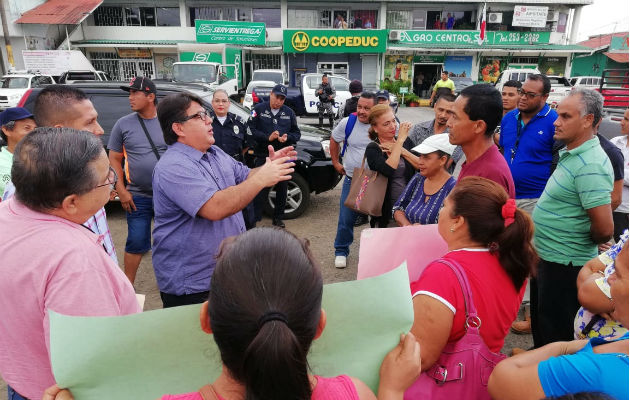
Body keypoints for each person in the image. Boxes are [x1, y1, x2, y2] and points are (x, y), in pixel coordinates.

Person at [0, 128, 141, 400]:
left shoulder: (8, 212)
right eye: (107, 178)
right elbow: (95, 368)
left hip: (24, 383)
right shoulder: (73, 261)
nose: (113, 180)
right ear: (71, 203)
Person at [152, 92, 296, 308]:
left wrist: (268, 167)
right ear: (178, 128)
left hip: (226, 272)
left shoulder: (214, 152)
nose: (209, 120)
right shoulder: (173, 166)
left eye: (206, 114)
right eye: (200, 116)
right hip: (194, 285)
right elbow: (215, 207)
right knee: (198, 339)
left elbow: (246, 175)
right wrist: (262, 179)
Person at [409, 177, 536, 373]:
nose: (440, 212)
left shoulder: (443, 274)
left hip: (445, 382)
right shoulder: (511, 260)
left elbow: (419, 359)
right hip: (484, 375)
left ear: (458, 221)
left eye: (444, 206)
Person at [488, 242, 629, 400]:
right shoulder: (622, 342)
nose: (608, 278)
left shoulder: (590, 369)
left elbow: (500, 380)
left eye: (618, 273)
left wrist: (565, 347)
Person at [531, 89, 614, 348]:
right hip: (549, 258)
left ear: (588, 120)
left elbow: (603, 229)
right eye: (558, 114)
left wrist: (568, 236)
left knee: (558, 335)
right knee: (543, 324)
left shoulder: (590, 164)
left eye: (565, 116)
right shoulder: (572, 154)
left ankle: (550, 385)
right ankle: (536, 373)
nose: (556, 121)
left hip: (565, 266)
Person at [1, 85, 118, 263]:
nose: (100, 130)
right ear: (60, 131)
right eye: (89, 122)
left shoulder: (89, 175)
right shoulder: (26, 193)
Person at [108, 76, 167, 285]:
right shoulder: (123, 124)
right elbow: (114, 158)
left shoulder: (169, 122)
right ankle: (127, 286)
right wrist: (121, 190)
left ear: (151, 96)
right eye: (130, 93)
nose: (130, 97)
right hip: (137, 195)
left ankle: (170, 284)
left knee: (169, 242)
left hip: (168, 196)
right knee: (136, 240)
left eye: (135, 93)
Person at [330, 92, 377, 268]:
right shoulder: (347, 123)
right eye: (360, 107)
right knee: (346, 219)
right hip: (352, 180)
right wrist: (335, 162)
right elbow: (334, 140)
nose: (362, 111)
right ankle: (341, 251)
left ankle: (376, 252)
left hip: (375, 181)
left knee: (377, 219)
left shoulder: (383, 123)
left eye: (367, 108)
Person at [499, 74, 557, 214]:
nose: (523, 98)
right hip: (505, 196)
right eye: (522, 92)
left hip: (535, 199)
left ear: (545, 97)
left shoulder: (554, 122)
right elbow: (502, 150)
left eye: (530, 95)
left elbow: (558, 162)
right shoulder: (509, 118)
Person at [447, 84, 516, 198]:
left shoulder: (490, 175)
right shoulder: (475, 160)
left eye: (455, 117)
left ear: (479, 126)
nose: (448, 123)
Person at [248, 84, 301, 228]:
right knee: (260, 188)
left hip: (282, 157)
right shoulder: (258, 110)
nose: (278, 101)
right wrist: (267, 138)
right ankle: (255, 217)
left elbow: (297, 133)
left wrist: (287, 137)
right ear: (271, 94)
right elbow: (250, 130)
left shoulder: (289, 112)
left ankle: (278, 218)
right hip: (263, 155)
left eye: (282, 99)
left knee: (282, 189)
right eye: (277, 97)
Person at [210, 89, 256, 229]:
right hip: (212, 172)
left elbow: (247, 145)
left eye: (224, 101)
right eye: (217, 101)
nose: (221, 104)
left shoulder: (239, 122)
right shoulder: (206, 123)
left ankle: (248, 234)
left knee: (244, 202)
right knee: (219, 204)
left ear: (229, 103)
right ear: (212, 103)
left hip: (236, 170)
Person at [364, 104, 415, 228]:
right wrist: (400, 142)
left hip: (409, 207)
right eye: (386, 124)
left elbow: (421, 164)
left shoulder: (406, 142)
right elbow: (389, 169)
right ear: (375, 128)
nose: (393, 126)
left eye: (393, 121)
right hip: (385, 212)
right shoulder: (373, 148)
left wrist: (402, 149)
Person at [393, 134, 457, 226]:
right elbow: (398, 208)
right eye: (420, 156)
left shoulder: (454, 188)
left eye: (426, 157)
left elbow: (453, 225)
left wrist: (423, 231)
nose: (420, 162)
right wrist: (407, 225)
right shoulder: (418, 178)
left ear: (442, 160)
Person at [574, 230, 628, 340]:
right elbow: (588, 268)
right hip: (586, 338)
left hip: (614, 349)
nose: (611, 279)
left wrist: (596, 275)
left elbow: (588, 295)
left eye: (617, 273)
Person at [408, 93, 463, 168]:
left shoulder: (457, 137)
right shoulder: (418, 129)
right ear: (435, 107)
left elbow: (442, 167)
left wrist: (402, 151)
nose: (443, 115)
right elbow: (405, 159)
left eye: (448, 112)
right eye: (441, 110)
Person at [0, 107, 36, 196]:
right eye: (27, 128)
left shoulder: (41, 156)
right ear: (6, 130)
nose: (34, 133)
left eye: (35, 129)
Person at [610, 109, 629, 241]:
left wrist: (614, 170)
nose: (621, 122)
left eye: (627, 119)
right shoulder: (615, 142)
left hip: (626, 211)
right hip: (610, 207)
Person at [494, 80, 522, 146]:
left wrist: (493, 135)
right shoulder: (492, 115)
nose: (505, 98)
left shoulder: (523, 119)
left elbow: (510, 144)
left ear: (520, 96)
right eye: (503, 94)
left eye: (511, 95)